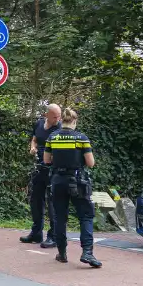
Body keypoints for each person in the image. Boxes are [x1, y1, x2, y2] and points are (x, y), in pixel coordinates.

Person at [43, 108, 101, 268]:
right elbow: (90, 163)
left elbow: (46, 160)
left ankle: (62, 253)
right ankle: (87, 252)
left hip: (58, 181)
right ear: (75, 121)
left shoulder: (52, 137)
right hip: (78, 181)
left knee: (60, 217)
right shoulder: (81, 138)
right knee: (86, 216)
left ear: (62, 121)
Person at [21, 104, 62, 248]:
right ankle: (37, 232)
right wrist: (32, 147)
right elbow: (34, 138)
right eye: (55, 116)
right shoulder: (39, 124)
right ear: (47, 115)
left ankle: (53, 236)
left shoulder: (60, 128)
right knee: (35, 199)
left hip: (53, 170)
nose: (58, 118)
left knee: (52, 203)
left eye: (59, 115)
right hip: (39, 168)